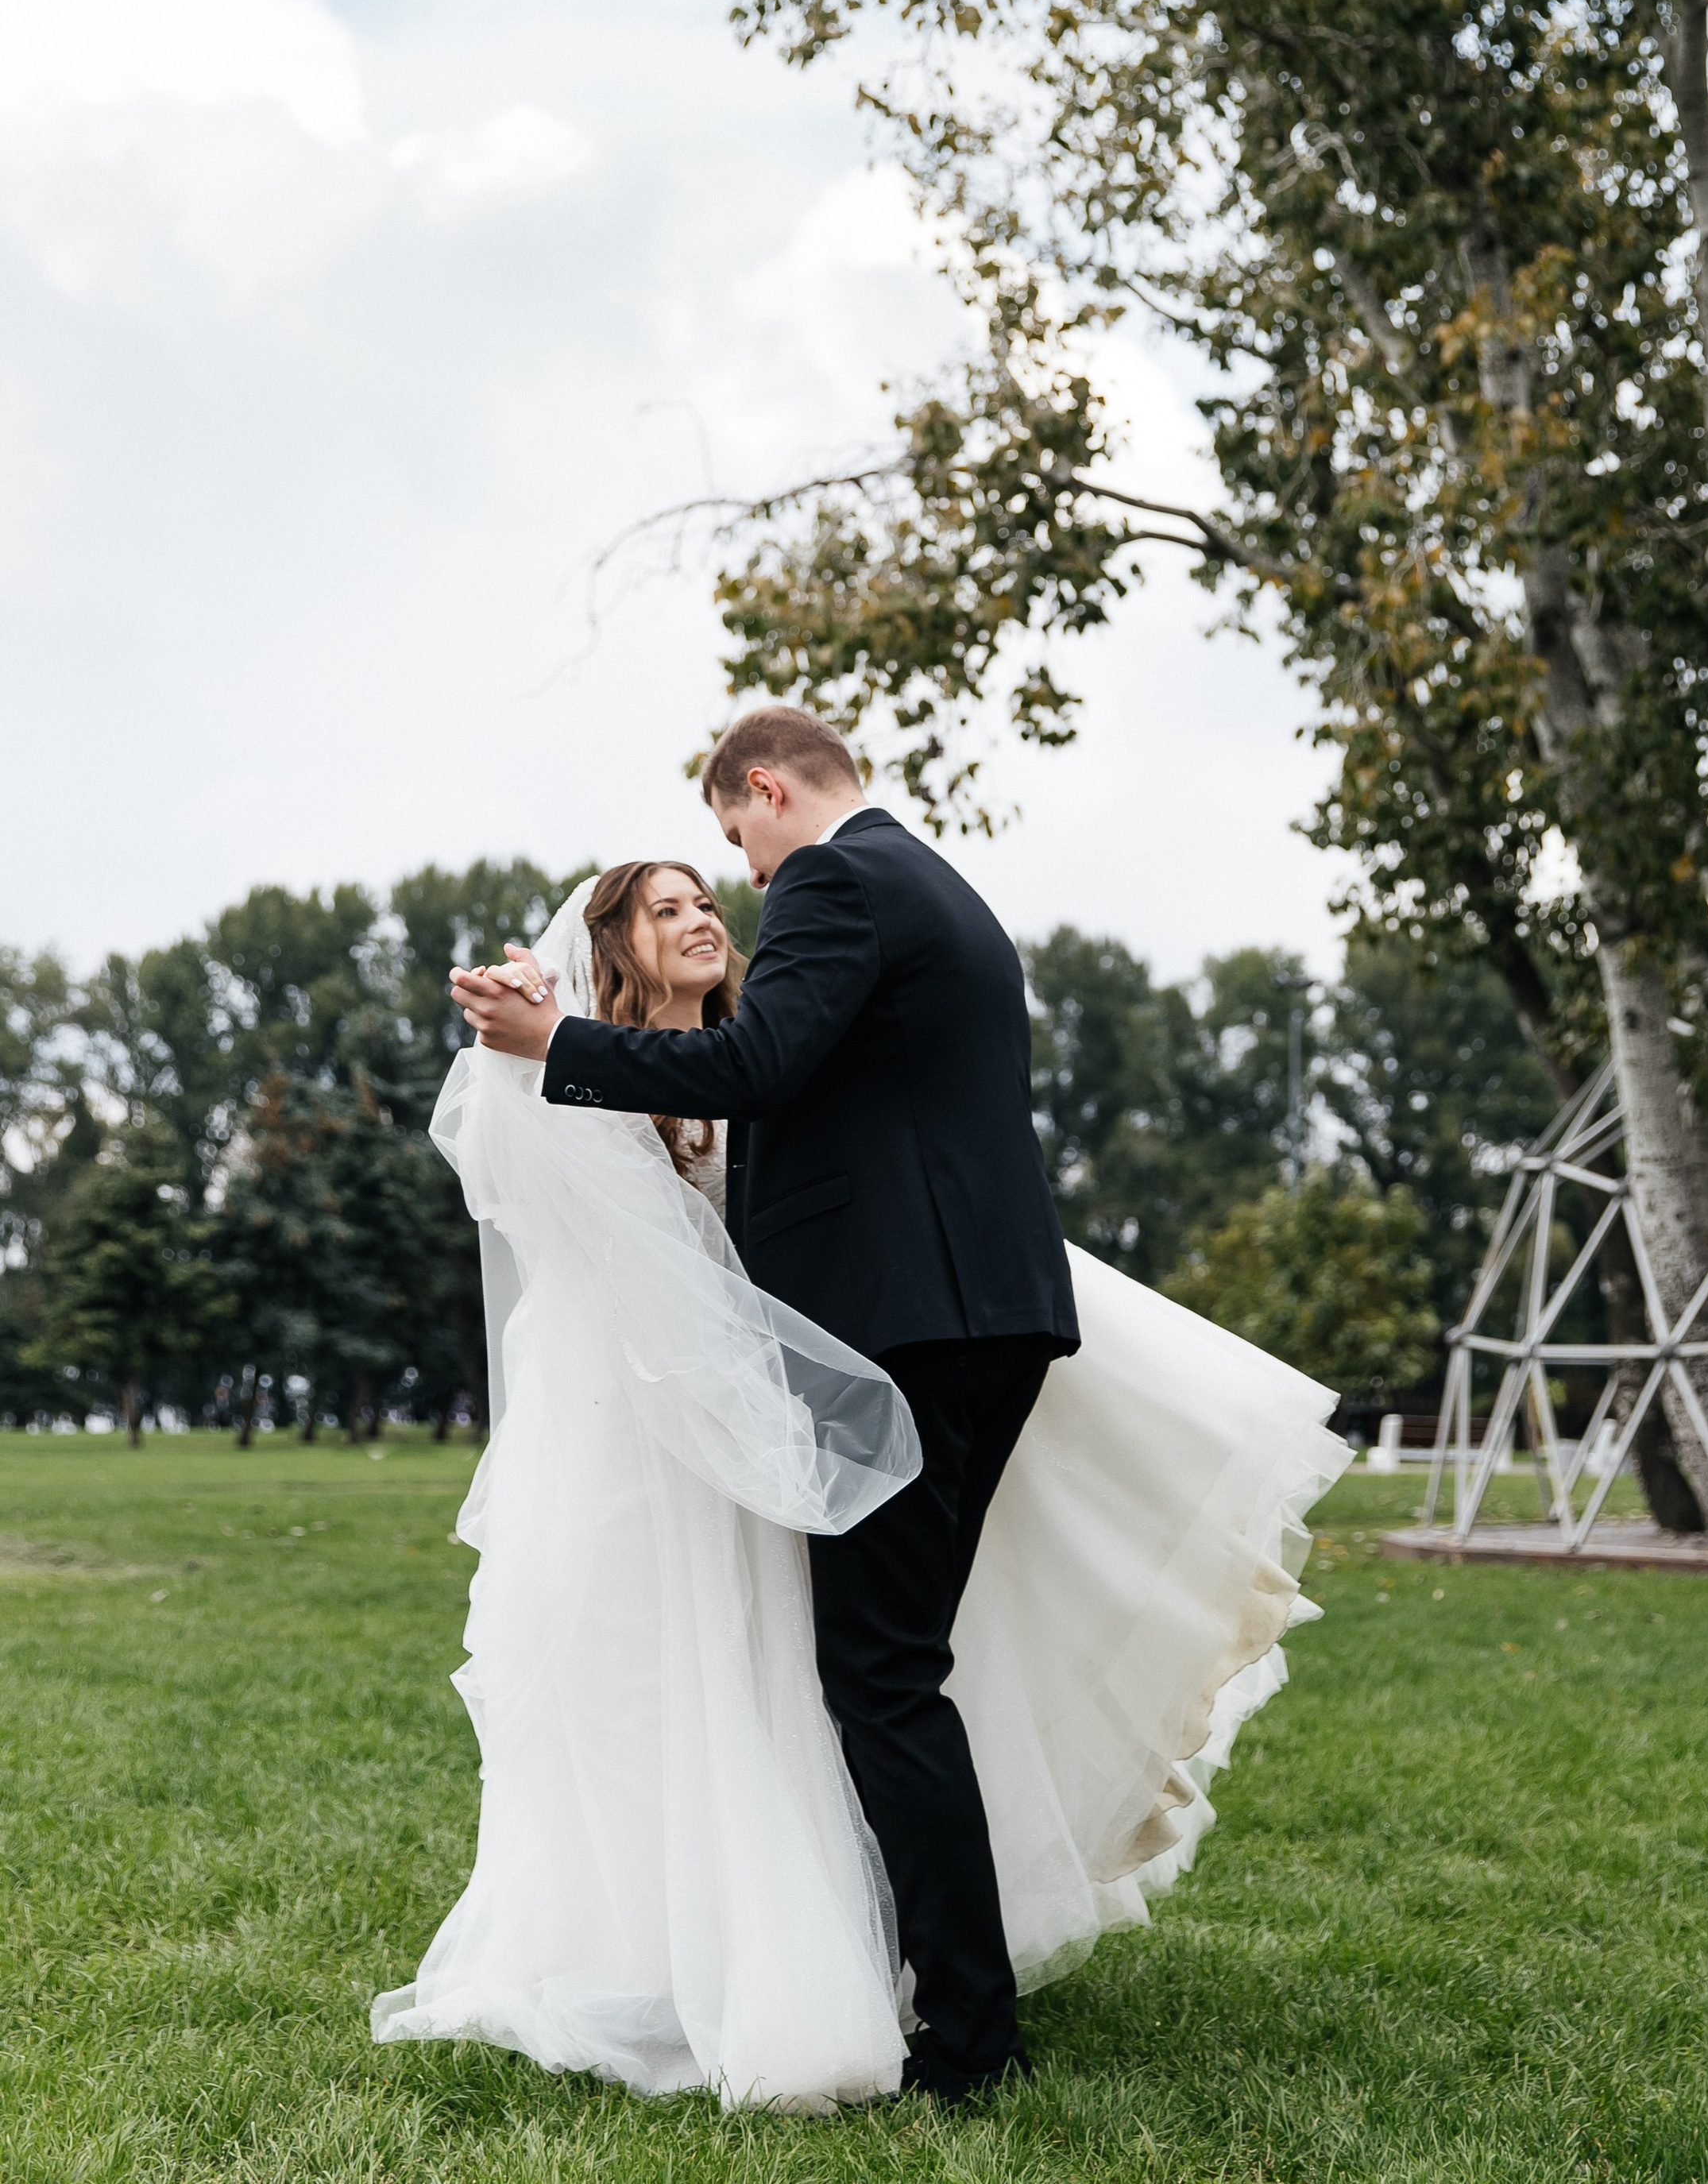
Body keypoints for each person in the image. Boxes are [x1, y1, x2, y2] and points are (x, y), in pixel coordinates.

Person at [383, 710, 1347, 2112]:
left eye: (736, 842)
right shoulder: (946, 891)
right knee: (900, 1670)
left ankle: (967, 2038)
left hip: (911, 1329)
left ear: (765, 789)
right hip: (976, 1318)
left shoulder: (840, 879)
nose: (746, 877)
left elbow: (761, 1068)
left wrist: (555, 1041)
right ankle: (931, 1978)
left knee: (882, 1679)